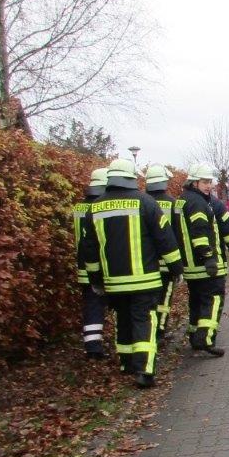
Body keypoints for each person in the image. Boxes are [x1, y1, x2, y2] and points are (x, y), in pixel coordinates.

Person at [80, 159, 183, 388]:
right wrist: (176, 269)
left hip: (114, 282)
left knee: (123, 320)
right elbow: (165, 239)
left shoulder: (94, 207)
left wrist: (96, 280)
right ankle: (145, 369)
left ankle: (126, 364)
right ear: (131, 177)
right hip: (145, 280)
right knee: (144, 320)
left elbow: (89, 249)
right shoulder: (146, 203)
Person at [176, 164, 228, 356]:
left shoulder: (182, 200)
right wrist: (209, 258)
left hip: (191, 265)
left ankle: (194, 335)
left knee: (196, 301)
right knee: (213, 299)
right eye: (205, 182)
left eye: (210, 182)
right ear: (194, 182)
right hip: (204, 265)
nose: (209, 186)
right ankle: (206, 339)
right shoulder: (198, 203)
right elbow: (200, 232)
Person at [74, 167, 110, 359]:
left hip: (82, 268)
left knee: (91, 306)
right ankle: (98, 347)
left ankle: (92, 346)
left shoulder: (78, 207)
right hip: (100, 267)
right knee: (103, 304)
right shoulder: (99, 207)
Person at [144, 164, 179, 343]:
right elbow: (178, 234)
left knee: (148, 301)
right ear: (165, 182)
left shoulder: (140, 202)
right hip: (168, 261)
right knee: (164, 299)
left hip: (146, 264)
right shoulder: (173, 203)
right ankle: (160, 331)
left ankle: (150, 331)